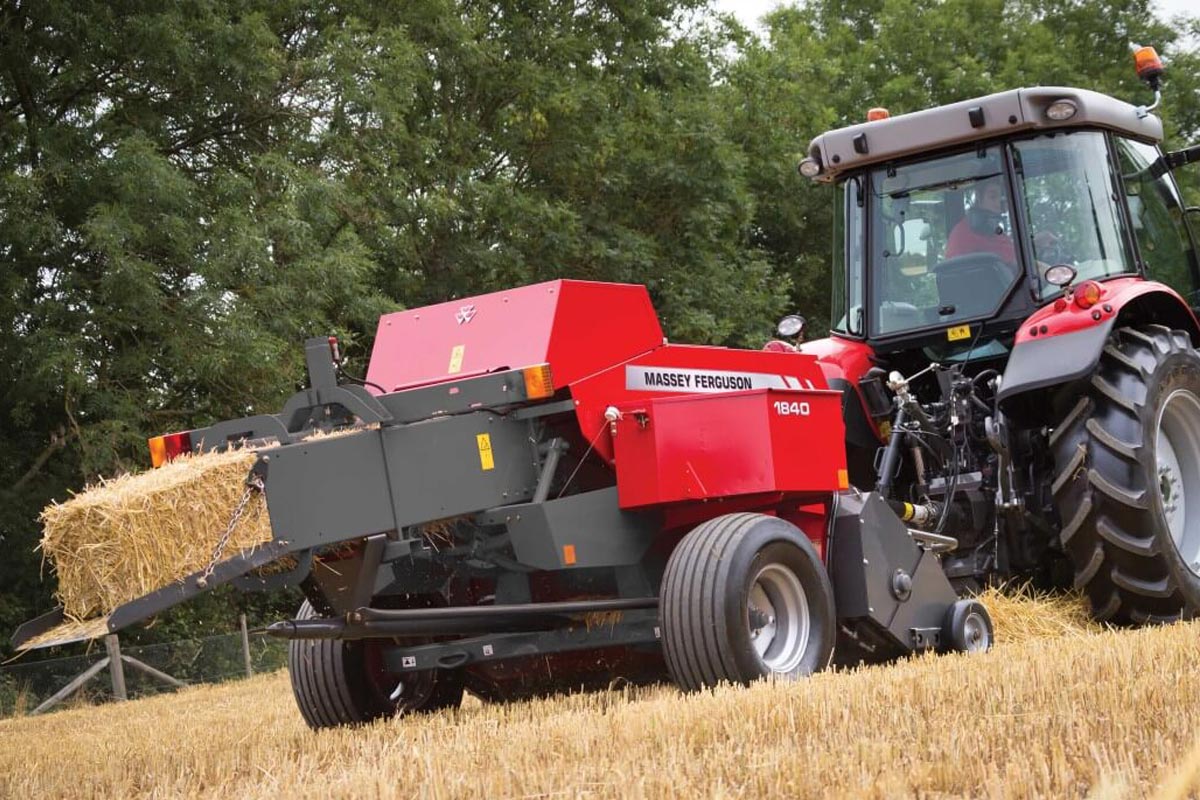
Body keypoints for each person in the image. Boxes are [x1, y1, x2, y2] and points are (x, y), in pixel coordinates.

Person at [946, 178, 1058, 263]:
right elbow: (1015, 262)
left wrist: (1034, 243)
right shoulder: (975, 231)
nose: (998, 203)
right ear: (979, 198)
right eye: (992, 197)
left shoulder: (984, 230)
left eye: (1001, 198)